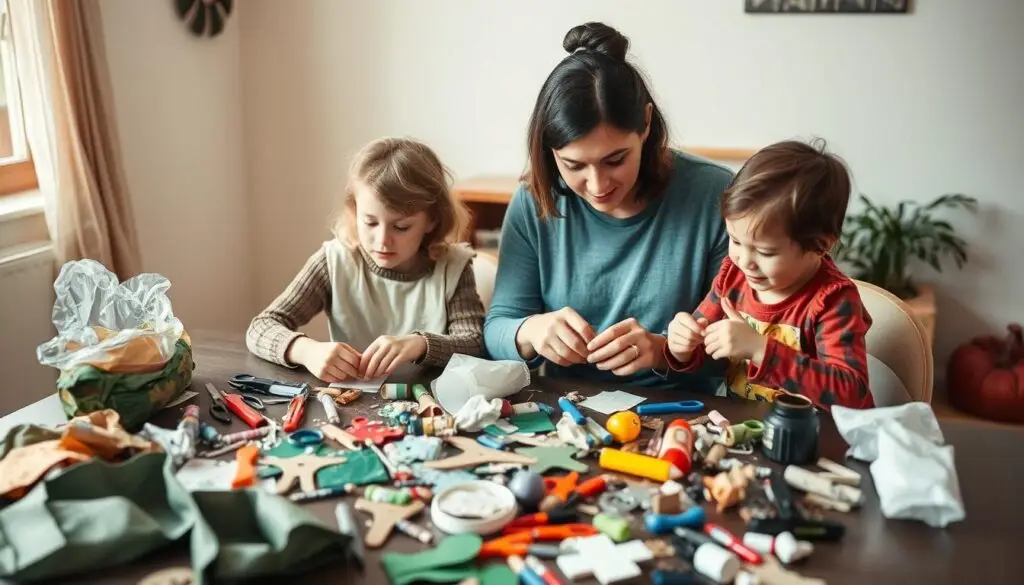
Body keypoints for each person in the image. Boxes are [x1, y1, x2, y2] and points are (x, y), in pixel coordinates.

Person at [483, 22, 733, 389]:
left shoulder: (714, 194)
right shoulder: (535, 199)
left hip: (685, 412)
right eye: (573, 166)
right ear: (549, 152)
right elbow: (498, 329)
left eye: (615, 160)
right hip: (567, 410)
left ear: (646, 124)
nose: (598, 186)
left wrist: (663, 350)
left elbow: (740, 348)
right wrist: (531, 331)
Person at [246, 137, 486, 383]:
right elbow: (261, 327)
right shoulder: (334, 262)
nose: (382, 240)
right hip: (352, 407)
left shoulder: (452, 268)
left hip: (431, 403)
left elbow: (474, 343)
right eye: (370, 222)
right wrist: (307, 351)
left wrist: (419, 344)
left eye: (401, 227)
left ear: (432, 220)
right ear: (354, 210)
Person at [665, 139, 874, 409]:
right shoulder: (733, 276)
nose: (745, 261)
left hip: (812, 438)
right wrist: (682, 346)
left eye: (765, 253)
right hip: (745, 430)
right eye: (735, 241)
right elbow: (703, 350)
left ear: (821, 245)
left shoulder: (832, 300)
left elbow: (851, 392)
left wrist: (760, 348)